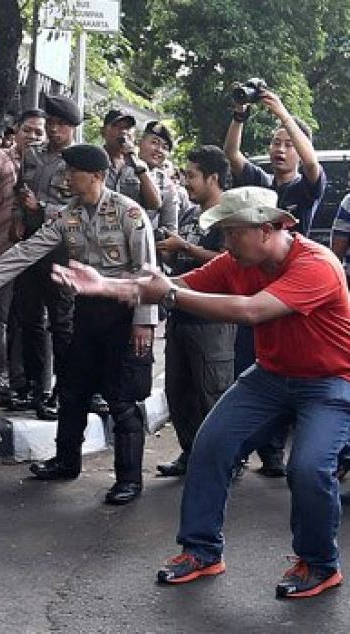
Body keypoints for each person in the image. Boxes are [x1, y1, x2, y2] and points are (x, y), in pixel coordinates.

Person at [52, 186, 350, 598]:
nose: (226, 244)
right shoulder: (238, 261)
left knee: (309, 468)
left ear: (266, 229)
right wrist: (105, 284)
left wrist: (170, 294)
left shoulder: (316, 264)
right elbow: (171, 283)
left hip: (329, 382)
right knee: (209, 445)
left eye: (233, 233)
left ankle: (319, 563)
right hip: (271, 376)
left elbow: (250, 310)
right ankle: (201, 550)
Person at [0, 144, 157, 505]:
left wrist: (144, 323)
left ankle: (129, 478)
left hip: (124, 314)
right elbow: (28, 250)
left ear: (96, 175)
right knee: (73, 390)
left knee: (121, 398)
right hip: (86, 313)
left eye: (73, 171)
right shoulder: (67, 216)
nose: (65, 178)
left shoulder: (129, 213)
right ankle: (65, 461)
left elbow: (148, 272)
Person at [225, 87, 326, 477]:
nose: (280, 149)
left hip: (294, 293)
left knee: (286, 366)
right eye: (274, 143)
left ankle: (272, 451)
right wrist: (240, 113)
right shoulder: (260, 188)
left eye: (288, 143)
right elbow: (233, 155)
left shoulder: (306, 188)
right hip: (256, 288)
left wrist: (284, 112)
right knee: (248, 366)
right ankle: (236, 454)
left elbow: (314, 164)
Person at [153, 146, 235, 477]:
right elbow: (182, 260)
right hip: (180, 313)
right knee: (179, 390)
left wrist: (183, 246)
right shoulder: (190, 214)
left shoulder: (229, 216)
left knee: (213, 393)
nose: (186, 182)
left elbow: (228, 261)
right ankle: (191, 454)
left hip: (212, 318)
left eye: (192, 175)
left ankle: (226, 459)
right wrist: (168, 252)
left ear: (212, 178)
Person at [6, 94, 81, 420]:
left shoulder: (80, 160)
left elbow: (82, 210)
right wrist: (19, 217)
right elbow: (21, 191)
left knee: (62, 324)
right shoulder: (33, 154)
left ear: (73, 128)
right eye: (51, 123)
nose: (54, 130)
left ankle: (64, 390)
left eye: (61, 125)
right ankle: (37, 387)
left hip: (63, 251)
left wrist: (43, 209)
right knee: (30, 320)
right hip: (31, 248)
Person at [0, 109, 45, 403]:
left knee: (24, 320)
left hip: (30, 256)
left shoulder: (39, 168)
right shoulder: (0, 161)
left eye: (38, 132)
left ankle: (20, 380)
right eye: (27, 130)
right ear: (15, 130)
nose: (32, 136)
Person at [102, 109, 162, 213]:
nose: (124, 132)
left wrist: (138, 167)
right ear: (103, 132)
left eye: (128, 128)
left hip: (130, 225)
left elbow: (155, 204)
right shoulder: (94, 160)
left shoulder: (140, 166)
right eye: (117, 127)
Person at [137, 121, 180, 233]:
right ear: (139, 142)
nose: (159, 150)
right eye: (154, 142)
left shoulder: (166, 185)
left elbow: (170, 229)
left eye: (165, 148)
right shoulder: (119, 168)